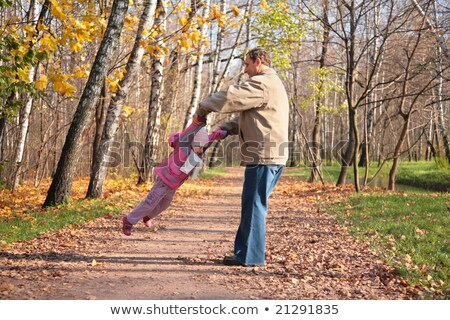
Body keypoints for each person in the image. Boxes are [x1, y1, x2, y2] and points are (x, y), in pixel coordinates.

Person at [193, 48, 289, 266]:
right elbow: (253, 117)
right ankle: (244, 254)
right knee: (251, 205)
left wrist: (203, 109)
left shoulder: (263, 83)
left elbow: (231, 96)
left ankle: (250, 257)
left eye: (246, 65)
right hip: (266, 155)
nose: (245, 70)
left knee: (255, 206)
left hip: (265, 155)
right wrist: (226, 128)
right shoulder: (268, 85)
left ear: (257, 62)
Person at [122, 123, 226, 236]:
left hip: (173, 185)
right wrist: (198, 121)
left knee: (165, 204)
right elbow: (187, 133)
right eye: (199, 146)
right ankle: (129, 221)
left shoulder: (200, 148)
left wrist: (219, 134)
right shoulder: (183, 145)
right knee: (150, 202)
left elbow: (210, 138)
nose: (201, 149)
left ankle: (147, 216)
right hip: (164, 180)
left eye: (203, 147)